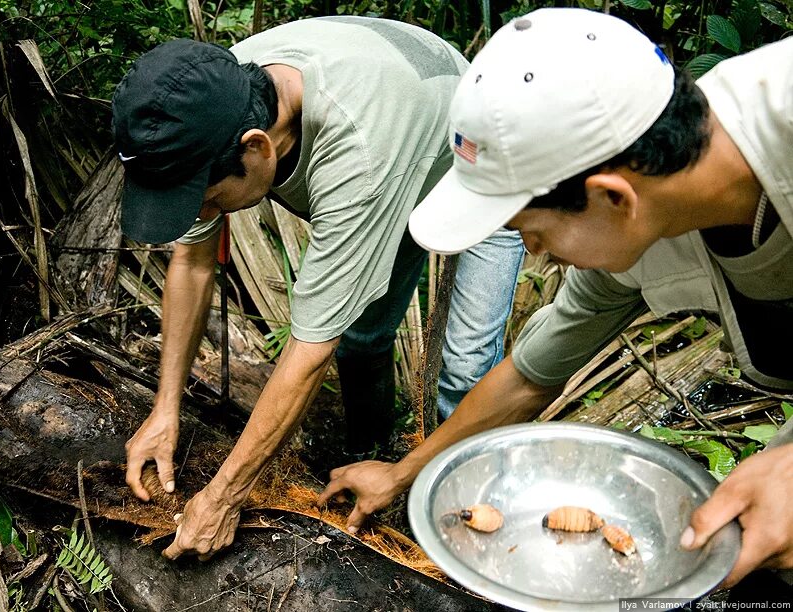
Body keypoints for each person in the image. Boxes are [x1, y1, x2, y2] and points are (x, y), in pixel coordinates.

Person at [320, 7, 793, 588]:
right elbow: (528, 377)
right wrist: (403, 473)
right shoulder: (638, 224)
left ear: (611, 198)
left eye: (530, 233)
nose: (536, 255)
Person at [111, 16, 523, 560]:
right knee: (363, 338)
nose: (203, 214)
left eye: (207, 200)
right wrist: (166, 409)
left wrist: (223, 498)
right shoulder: (209, 105)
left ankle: (458, 528)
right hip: (403, 141)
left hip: (482, 162)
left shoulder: (359, 156)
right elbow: (191, 260)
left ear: (257, 150)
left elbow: (309, 351)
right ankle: (367, 455)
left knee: (466, 370)